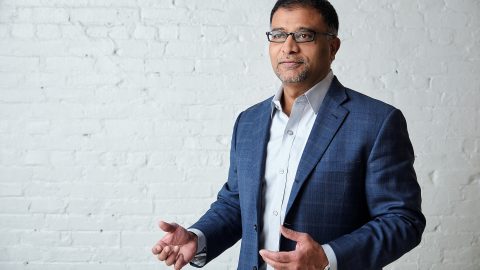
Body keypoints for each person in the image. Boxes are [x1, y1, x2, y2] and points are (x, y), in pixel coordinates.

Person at [152, 0, 426, 269]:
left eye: (304, 35)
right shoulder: (249, 122)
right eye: (279, 35)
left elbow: (402, 220)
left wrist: (326, 257)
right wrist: (198, 238)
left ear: (332, 47)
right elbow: (236, 203)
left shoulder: (377, 122)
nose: (289, 47)